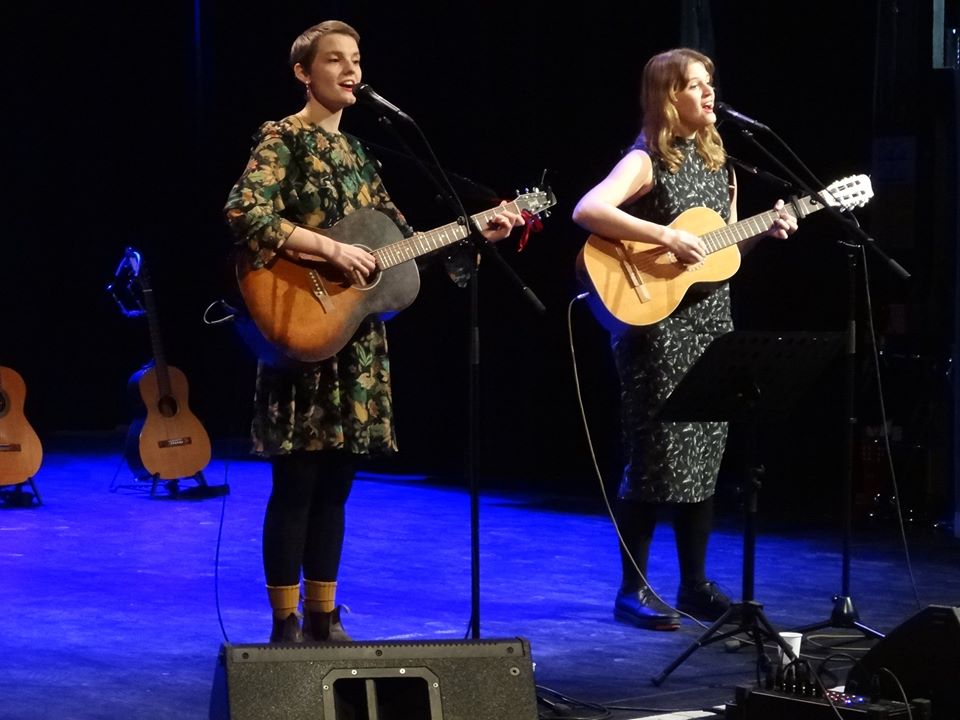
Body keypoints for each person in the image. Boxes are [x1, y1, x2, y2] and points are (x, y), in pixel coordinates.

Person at [223, 19, 523, 643]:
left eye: (356, 59)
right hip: (301, 330)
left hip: (356, 343)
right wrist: (328, 249)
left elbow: (401, 248)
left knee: (336, 485)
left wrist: (474, 233)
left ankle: (322, 614)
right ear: (304, 72)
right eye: (335, 59)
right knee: (297, 483)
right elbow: (244, 212)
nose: (350, 70)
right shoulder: (283, 138)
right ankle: (283, 621)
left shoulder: (362, 155)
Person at [571, 48, 797, 631]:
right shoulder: (645, 159)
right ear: (669, 96)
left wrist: (764, 232)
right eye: (695, 85)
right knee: (656, 459)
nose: (709, 93)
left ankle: (694, 585)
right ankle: (632, 589)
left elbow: (722, 252)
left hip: (711, 324)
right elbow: (588, 209)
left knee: (705, 454)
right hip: (656, 328)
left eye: (709, 82)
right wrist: (664, 236)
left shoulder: (723, 168)